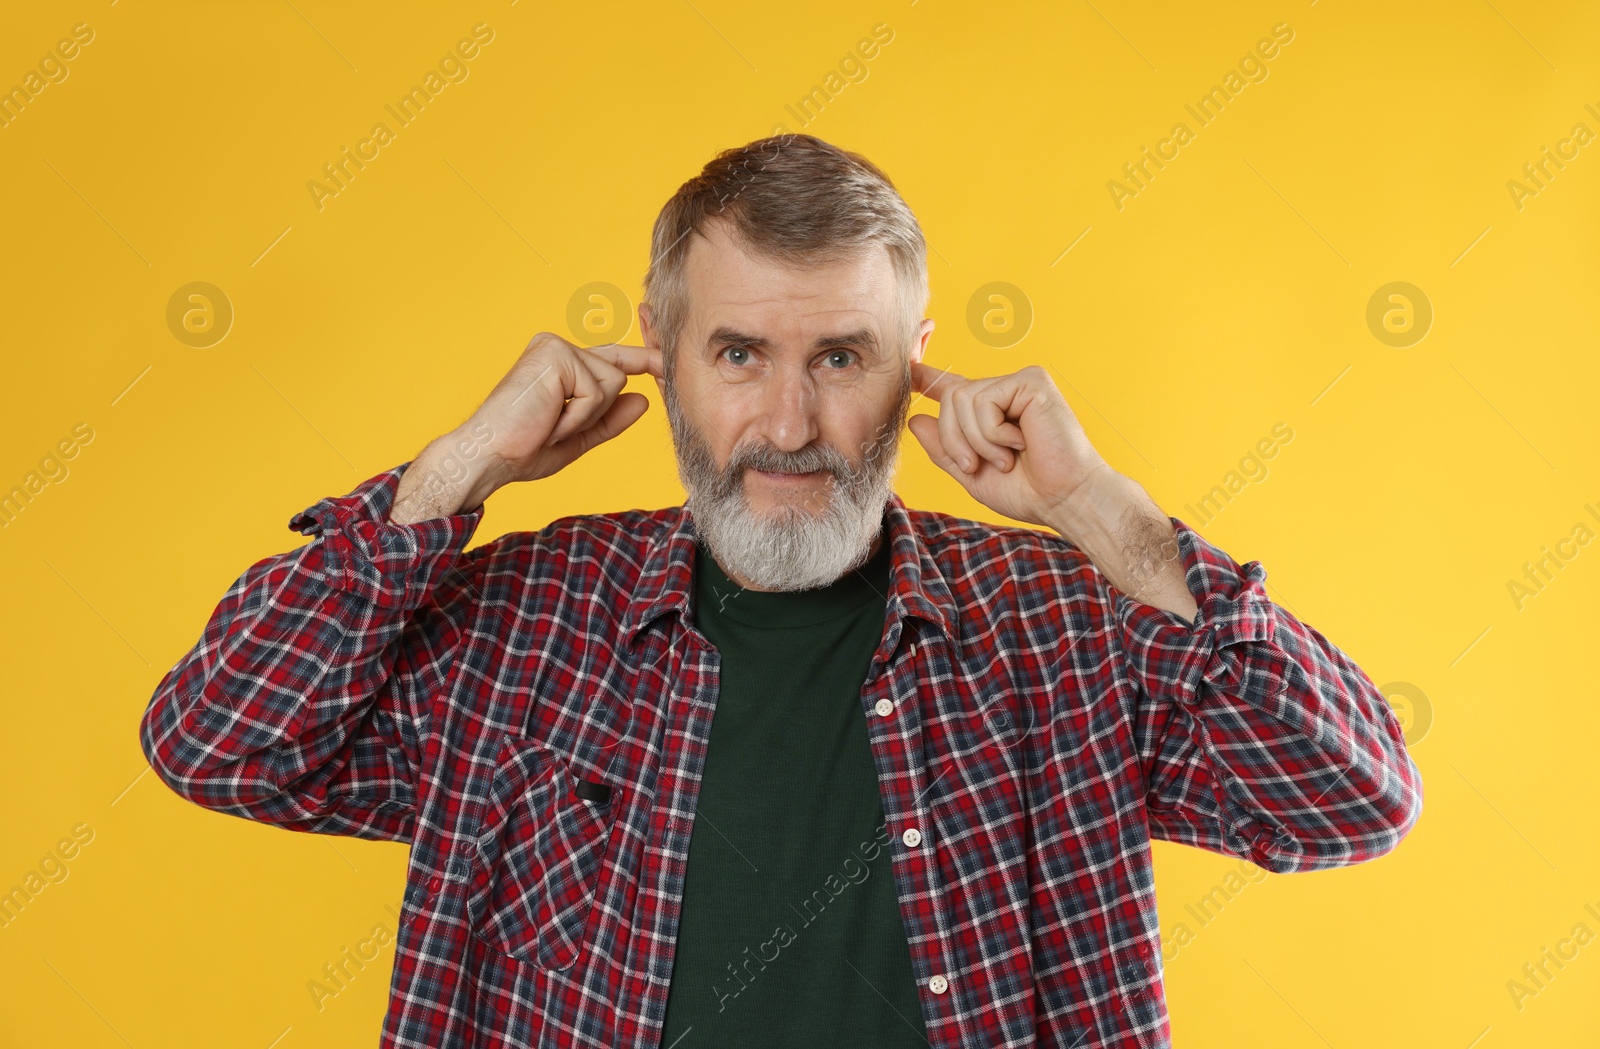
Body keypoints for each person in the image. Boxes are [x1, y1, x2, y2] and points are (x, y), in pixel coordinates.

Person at [140, 133, 1422, 1049]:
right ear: (662, 345)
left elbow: (1351, 802)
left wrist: (1106, 515)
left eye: (843, 356)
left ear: (917, 364)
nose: (791, 420)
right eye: (740, 352)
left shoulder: (1069, 628)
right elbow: (216, 743)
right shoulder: (515, 618)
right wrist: (458, 468)